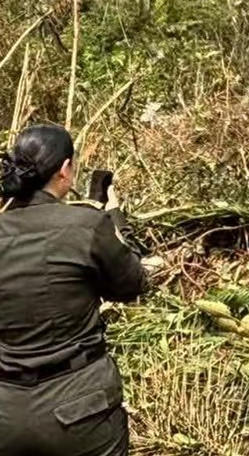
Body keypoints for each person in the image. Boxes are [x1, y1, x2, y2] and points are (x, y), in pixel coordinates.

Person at [0, 123, 151, 456]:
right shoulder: (86, 227)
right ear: (65, 170)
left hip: (7, 413)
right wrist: (113, 218)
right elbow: (132, 284)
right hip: (81, 409)